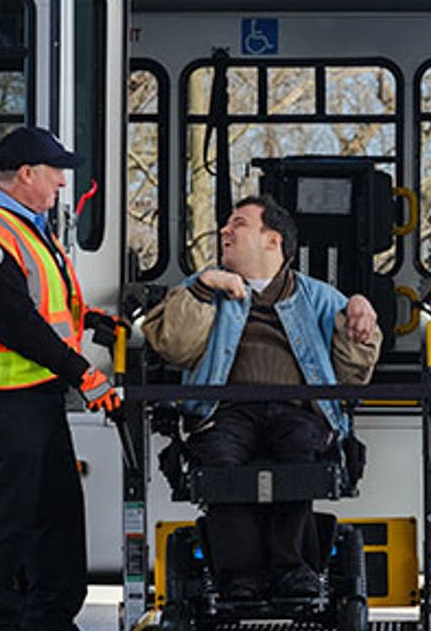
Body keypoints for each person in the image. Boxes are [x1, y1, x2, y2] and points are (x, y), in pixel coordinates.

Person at [142, 194, 381, 600]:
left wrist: (358, 312)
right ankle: (240, 576)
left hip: (297, 409)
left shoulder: (320, 297)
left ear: (273, 240)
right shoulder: (200, 289)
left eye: (238, 224)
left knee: (301, 454)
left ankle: (293, 569)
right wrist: (204, 287)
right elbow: (173, 346)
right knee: (218, 460)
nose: (225, 231)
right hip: (224, 410)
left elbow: (353, 375)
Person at [0, 126, 123, 631]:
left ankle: (51, 619)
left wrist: (89, 320)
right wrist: (84, 373)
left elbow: (43, 303)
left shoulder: (25, 224)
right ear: (26, 174)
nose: (62, 184)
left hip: (36, 398)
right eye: (56, 173)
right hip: (5, 398)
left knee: (58, 520)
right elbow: (15, 323)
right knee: (4, 523)